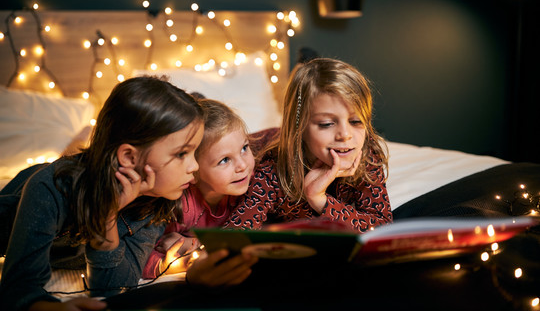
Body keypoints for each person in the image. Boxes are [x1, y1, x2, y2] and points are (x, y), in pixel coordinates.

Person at [0, 77, 253, 311]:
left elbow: (113, 288)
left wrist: (106, 220)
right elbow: (18, 289)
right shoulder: (50, 189)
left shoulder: (156, 204)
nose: (194, 167)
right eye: (181, 154)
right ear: (129, 157)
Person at [225, 57, 393, 233]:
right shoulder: (272, 168)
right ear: (300, 128)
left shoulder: (367, 152)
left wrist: (319, 199)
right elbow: (236, 232)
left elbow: (381, 227)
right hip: (264, 139)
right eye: (327, 124)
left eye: (356, 121)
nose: (345, 135)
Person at [142, 98, 257, 279]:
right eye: (224, 160)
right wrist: (163, 265)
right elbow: (140, 255)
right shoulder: (179, 205)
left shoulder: (253, 185)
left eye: (244, 148)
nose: (243, 165)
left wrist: (190, 243)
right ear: (193, 170)